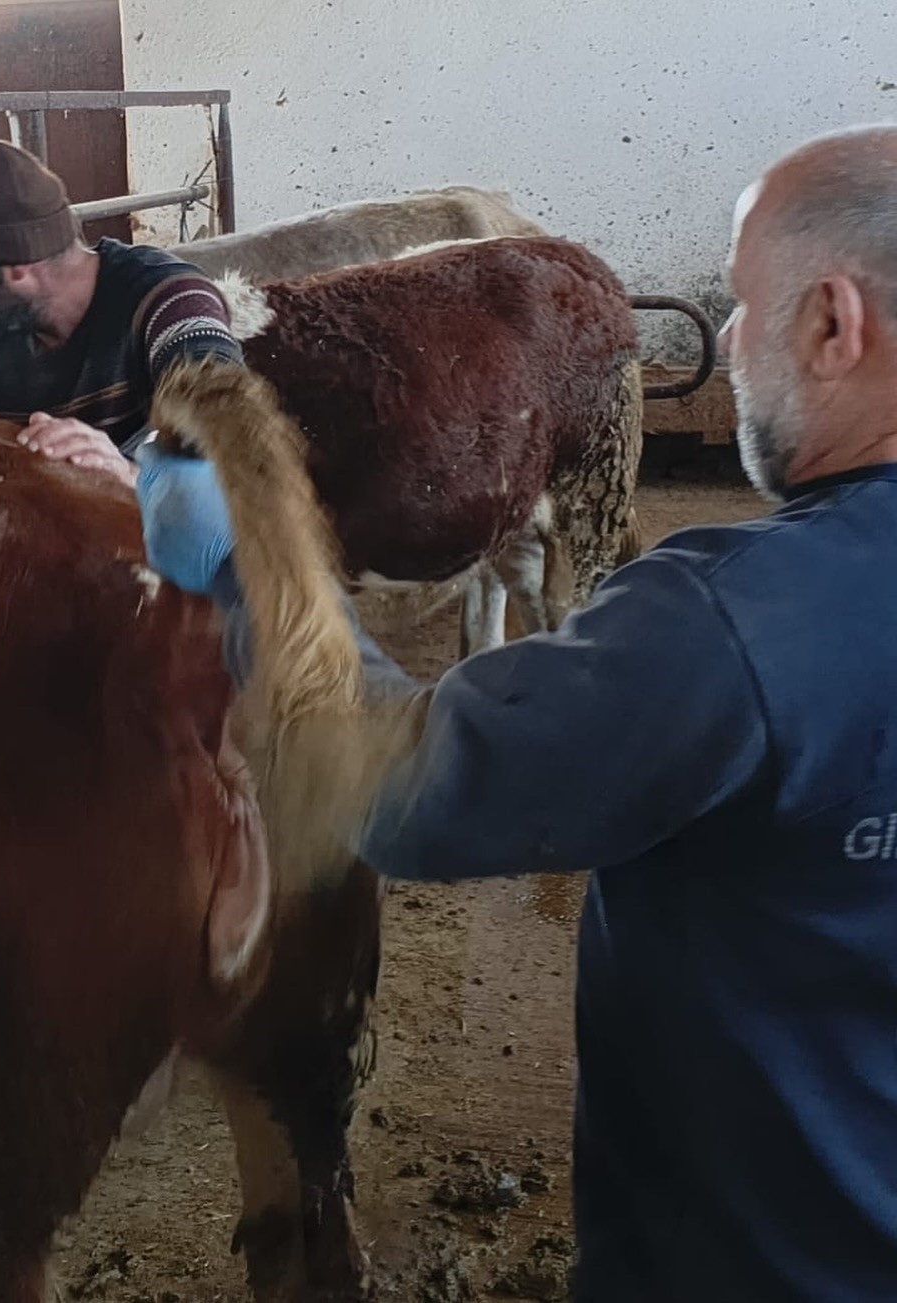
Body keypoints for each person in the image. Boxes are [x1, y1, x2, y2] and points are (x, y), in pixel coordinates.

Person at [135, 123, 897, 1300]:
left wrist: (251, 563)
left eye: (743, 307)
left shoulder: (737, 627)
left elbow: (387, 780)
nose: (732, 341)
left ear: (835, 324)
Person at [0, 137, 244, 487]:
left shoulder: (168, 301)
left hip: (147, 526)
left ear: (17, 268)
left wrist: (127, 477)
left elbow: (237, 441)